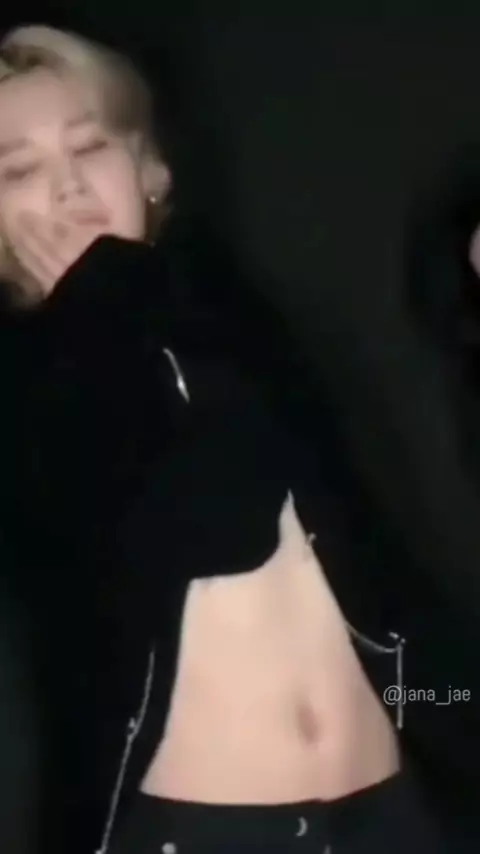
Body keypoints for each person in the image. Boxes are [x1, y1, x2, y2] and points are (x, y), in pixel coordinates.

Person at [0, 23, 451, 854]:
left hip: (393, 814)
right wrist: (102, 300)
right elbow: (216, 523)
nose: (67, 186)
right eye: (20, 169)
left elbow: (380, 571)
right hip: (212, 833)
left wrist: (453, 713)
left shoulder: (238, 319)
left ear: (149, 169)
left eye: (90, 146)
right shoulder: (29, 377)